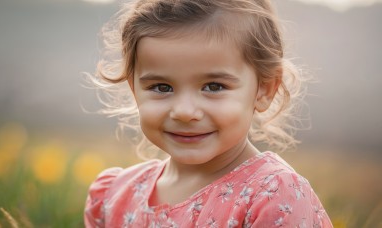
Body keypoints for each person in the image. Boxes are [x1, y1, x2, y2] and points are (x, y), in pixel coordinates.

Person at [84, 0, 333, 227]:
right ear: (134, 89)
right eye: (161, 87)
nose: (184, 112)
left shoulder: (272, 196)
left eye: (214, 87)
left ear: (264, 89)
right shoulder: (115, 196)